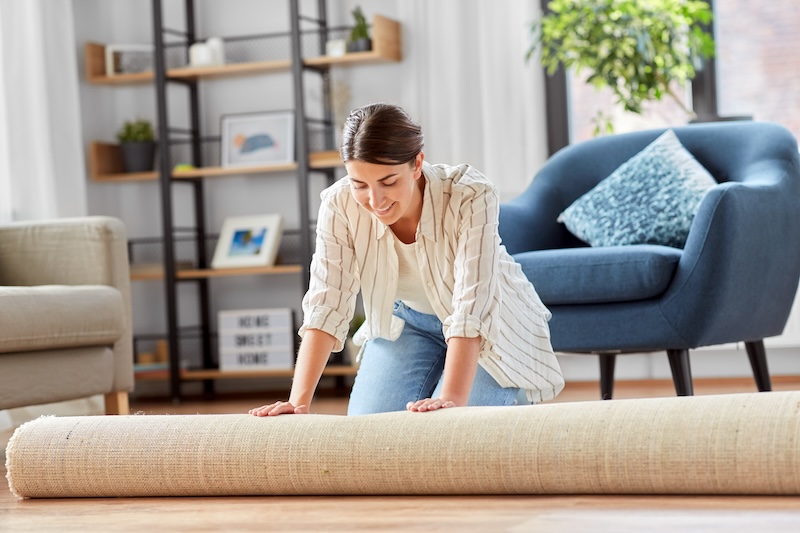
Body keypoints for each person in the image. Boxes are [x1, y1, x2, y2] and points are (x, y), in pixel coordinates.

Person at [249, 103, 563, 417]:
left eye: (388, 182)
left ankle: (511, 397)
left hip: (490, 322)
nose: (376, 201)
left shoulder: (470, 193)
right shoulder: (339, 205)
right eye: (360, 184)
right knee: (370, 434)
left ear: (416, 165)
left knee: (452, 431)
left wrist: (451, 398)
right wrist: (297, 402)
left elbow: (472, 305)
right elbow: (326, 301)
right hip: (409, 322)